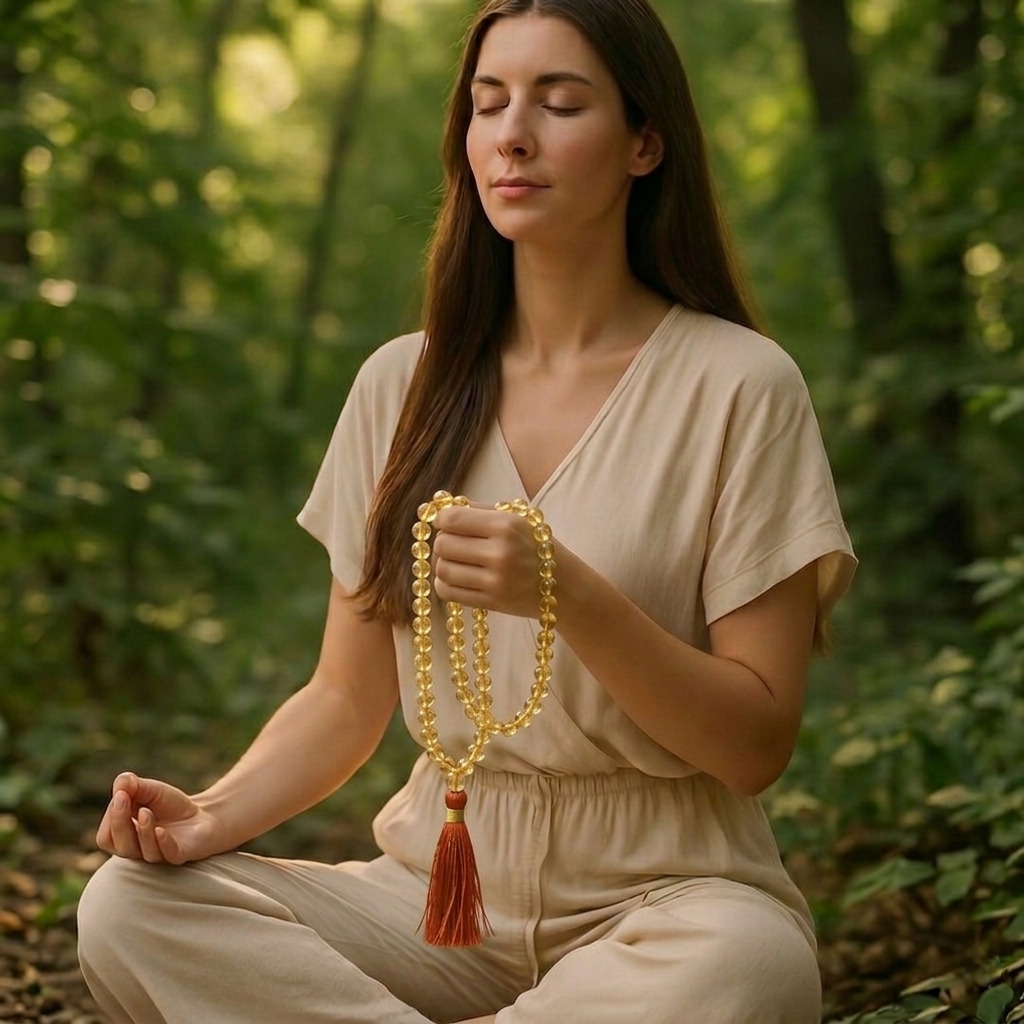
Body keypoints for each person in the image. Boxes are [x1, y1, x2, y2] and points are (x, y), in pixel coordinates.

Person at [76, 0, 856, 1021]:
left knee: (746, 966)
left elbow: (755, 743)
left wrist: (568, 594)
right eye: (489, 104)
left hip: (670, 899)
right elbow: (344, 702)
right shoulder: (401, 386)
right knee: (130, 905)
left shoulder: (739, 385)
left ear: (644, 142)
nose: (512, 134)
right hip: (436, 901)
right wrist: (206, 815)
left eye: (559, 102)